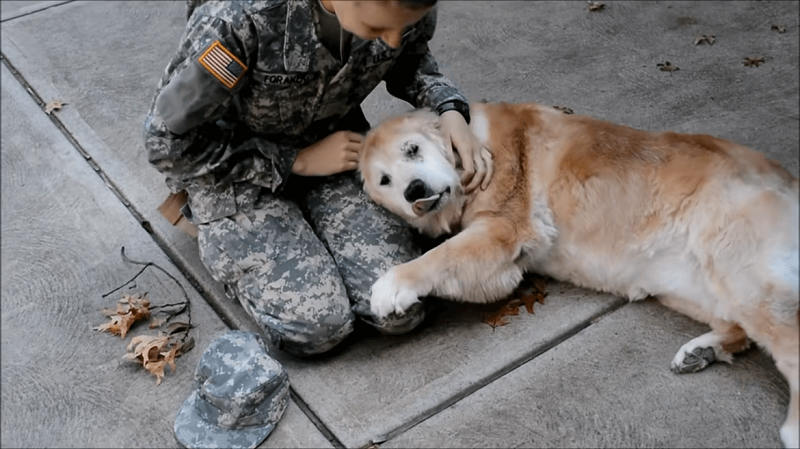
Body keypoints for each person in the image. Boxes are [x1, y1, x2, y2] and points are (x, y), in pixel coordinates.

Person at [144, 0, 492, 359]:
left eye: (398, 30)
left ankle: (301, 225)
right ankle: (215, 229)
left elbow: (410, 58)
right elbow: (165, 143)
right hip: (233, 170)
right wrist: (296, 161)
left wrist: (449, 108)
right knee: (319, 328)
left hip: (334, 145)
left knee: (399, 308)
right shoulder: (239, 20)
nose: (389, 42)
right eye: (375, 30)